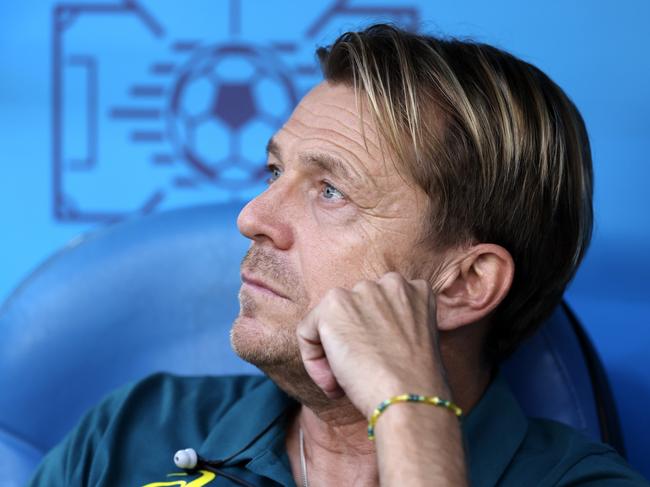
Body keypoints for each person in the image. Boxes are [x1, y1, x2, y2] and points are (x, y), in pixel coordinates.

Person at [29, 24, 648, 486]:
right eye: (274, 171)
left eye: (332, 190)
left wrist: (411, 414)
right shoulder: (131, 430)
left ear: (465, 283)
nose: (252, 217)